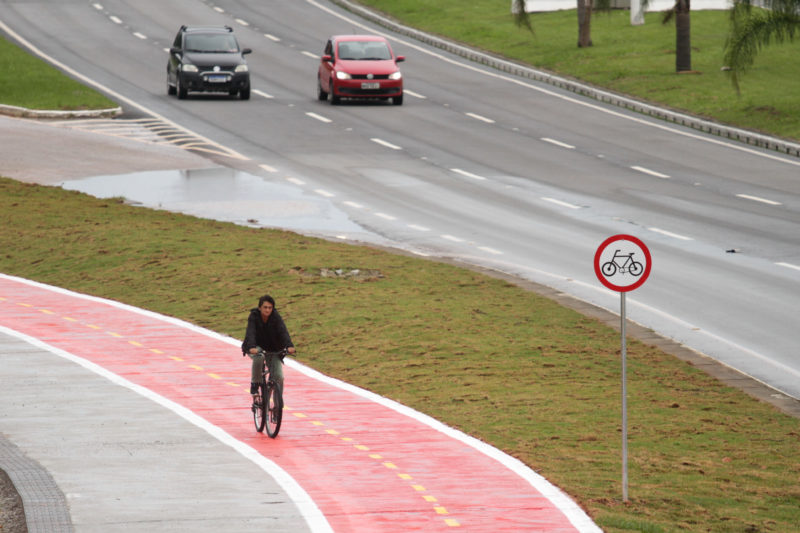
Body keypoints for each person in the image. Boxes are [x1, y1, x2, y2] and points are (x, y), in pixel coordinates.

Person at [241, 295, 295, 400]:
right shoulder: (254, 316)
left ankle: (278, 405)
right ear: (259, 308)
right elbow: (250, 332)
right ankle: (255, 385)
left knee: (279, 377)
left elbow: (283, 331)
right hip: (255, 346)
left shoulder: (276, 317)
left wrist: (289, 345)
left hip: (272, 349)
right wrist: (251, 347)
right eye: (265, 307)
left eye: (270, 308)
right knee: (259, 357)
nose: (267, 310)